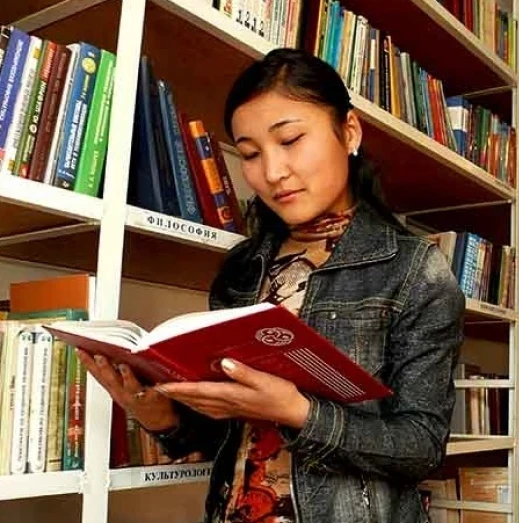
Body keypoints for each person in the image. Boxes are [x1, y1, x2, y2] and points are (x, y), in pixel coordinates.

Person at [77, 48, 466, 523]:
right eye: (250, 154)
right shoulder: (243, 268)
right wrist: (163, 417)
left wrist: (298, 411)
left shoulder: (415, 269)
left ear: (349, 132)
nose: (273, 172)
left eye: (290, 140)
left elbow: (421, 447)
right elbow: (232, 435)